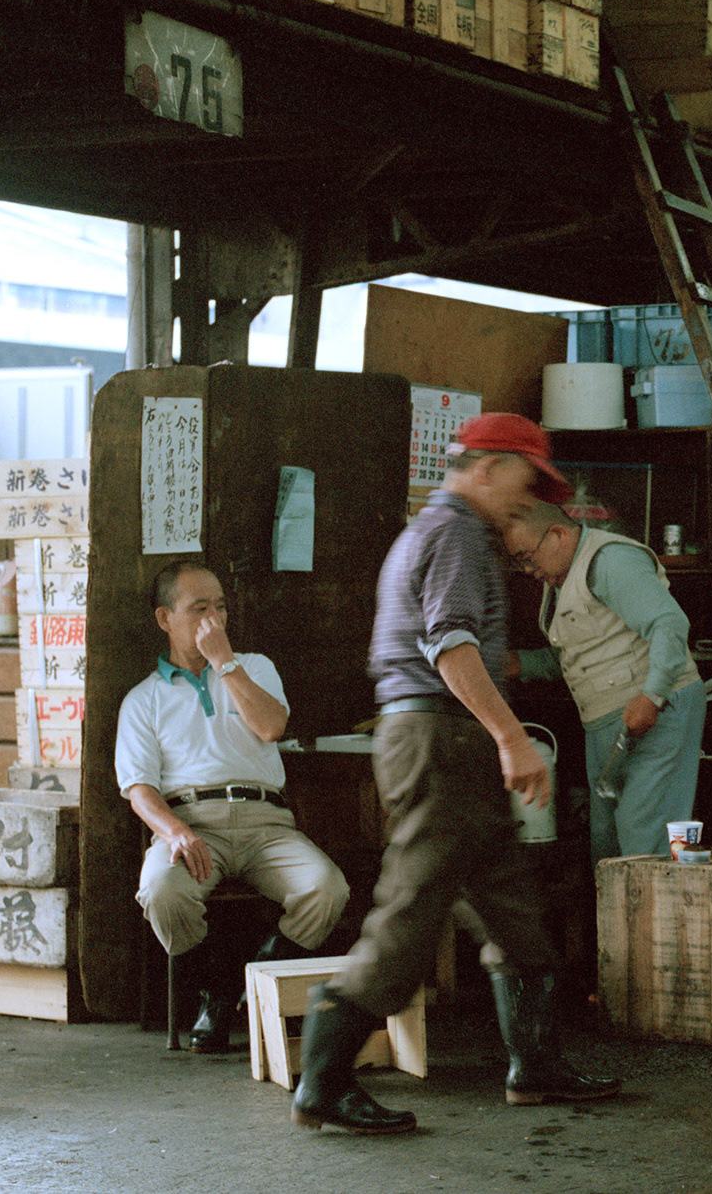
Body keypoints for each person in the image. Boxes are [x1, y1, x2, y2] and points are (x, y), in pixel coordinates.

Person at [291, 412, 619, 1136]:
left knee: (511, 904)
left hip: (449, 738)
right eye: (526, 482)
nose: (526, 502)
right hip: (439, 736)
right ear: (489, 465)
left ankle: (535, 1067)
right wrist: (512, 737)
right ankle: (324, 1079)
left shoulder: (445, 532)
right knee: (411, 910)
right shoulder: (457, 534)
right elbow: (450, 645)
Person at [119, 562, 351, 1054]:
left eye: (220, 607)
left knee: (326, 889)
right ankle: (216, 992)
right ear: (165, 618)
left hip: (266, 822)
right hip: (192, 824)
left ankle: (252, 983)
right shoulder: (143, 699)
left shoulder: (255, 666)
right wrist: (177, 832)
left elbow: (271, 728)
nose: (214, 620)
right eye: (199, 609)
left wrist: (225, 663)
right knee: (162, 891)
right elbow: (139, 790)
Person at [503, 500, 706, 861]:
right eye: (520, 562)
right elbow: (575, 656)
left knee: (644, 843)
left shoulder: (611, 561)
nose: (528, 569)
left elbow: (669, 624)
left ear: (558, 535)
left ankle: (651, 918)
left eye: (528, 557)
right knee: (608, 846)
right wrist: (518, 664)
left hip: (655, 712)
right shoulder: (562, 579)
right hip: (606, 727)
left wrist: (653, 695)